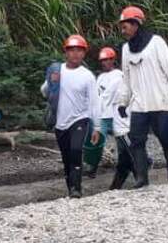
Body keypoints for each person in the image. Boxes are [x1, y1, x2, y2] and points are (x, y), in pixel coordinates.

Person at [116, 6, 168, 188]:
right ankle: (142, 178)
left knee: (165, 137)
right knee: (136, 140)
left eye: (125, 26)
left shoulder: (156, 42)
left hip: (160, 101)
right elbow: (126, 77)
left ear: (136, 24)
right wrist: (123, 101)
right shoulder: (126, 49)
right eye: (122, 26)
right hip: (139, 104)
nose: (122, 30)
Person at [41, 35, 102, 198]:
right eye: (72, 50)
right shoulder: (57, 71)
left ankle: (76, 189)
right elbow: (44, 91)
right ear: (66, 52)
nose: (75, 54)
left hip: (79, 119)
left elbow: (94, 102)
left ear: (84, 53)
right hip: (60, 121)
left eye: (79, 50)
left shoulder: (87, 76)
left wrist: (96, 127)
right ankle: (70, 186)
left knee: (76, 150)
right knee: (66, 156)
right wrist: (52, 83)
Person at [87, 46, 121, 179]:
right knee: (98, 141)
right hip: (103, 115)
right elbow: (96, 95)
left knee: (124, 142)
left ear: (113, 60)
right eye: (102, 60)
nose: (104, 62)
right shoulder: (101, 77)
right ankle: (92, 168)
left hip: (116, 115)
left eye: (107, 60)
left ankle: (143, 161)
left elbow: (108, 95)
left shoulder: (118, 75)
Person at [109, 78, 135, 190]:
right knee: (125, 157)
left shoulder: (120, 80)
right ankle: (115, 186)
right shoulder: (119, 80)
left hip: (124, 126)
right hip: (122, 125)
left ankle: (141, 179)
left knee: (130, 155)